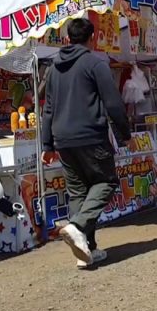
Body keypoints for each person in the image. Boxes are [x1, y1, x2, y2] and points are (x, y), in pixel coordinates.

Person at [41, 17, 132, 268]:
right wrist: (125, 134)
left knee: (78, 191)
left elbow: (47, 108)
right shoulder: (95, 63)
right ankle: (77, 227)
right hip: (91, 135)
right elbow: (113, 102)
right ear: (92, 38)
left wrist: (47, 145)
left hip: (62, 139)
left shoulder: (53, 68)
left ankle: (87, 250)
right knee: (106, 181)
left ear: (67, 39)